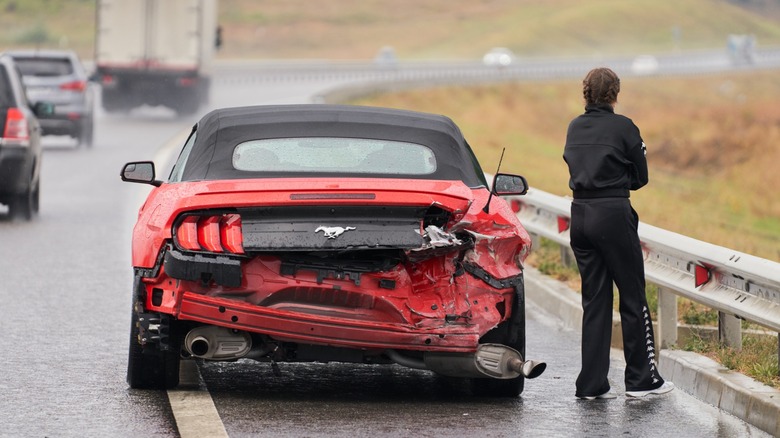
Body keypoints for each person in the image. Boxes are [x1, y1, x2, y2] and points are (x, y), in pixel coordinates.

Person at [563, 67, 675, 400]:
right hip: (612, 214)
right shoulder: (624, 127)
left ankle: (591, 385)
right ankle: (642, 380)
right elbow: (641, 177)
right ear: (616, 93)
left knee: (595, 300)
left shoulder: (574, 126)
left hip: (579, 215)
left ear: (586, 93)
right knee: (632, 295)